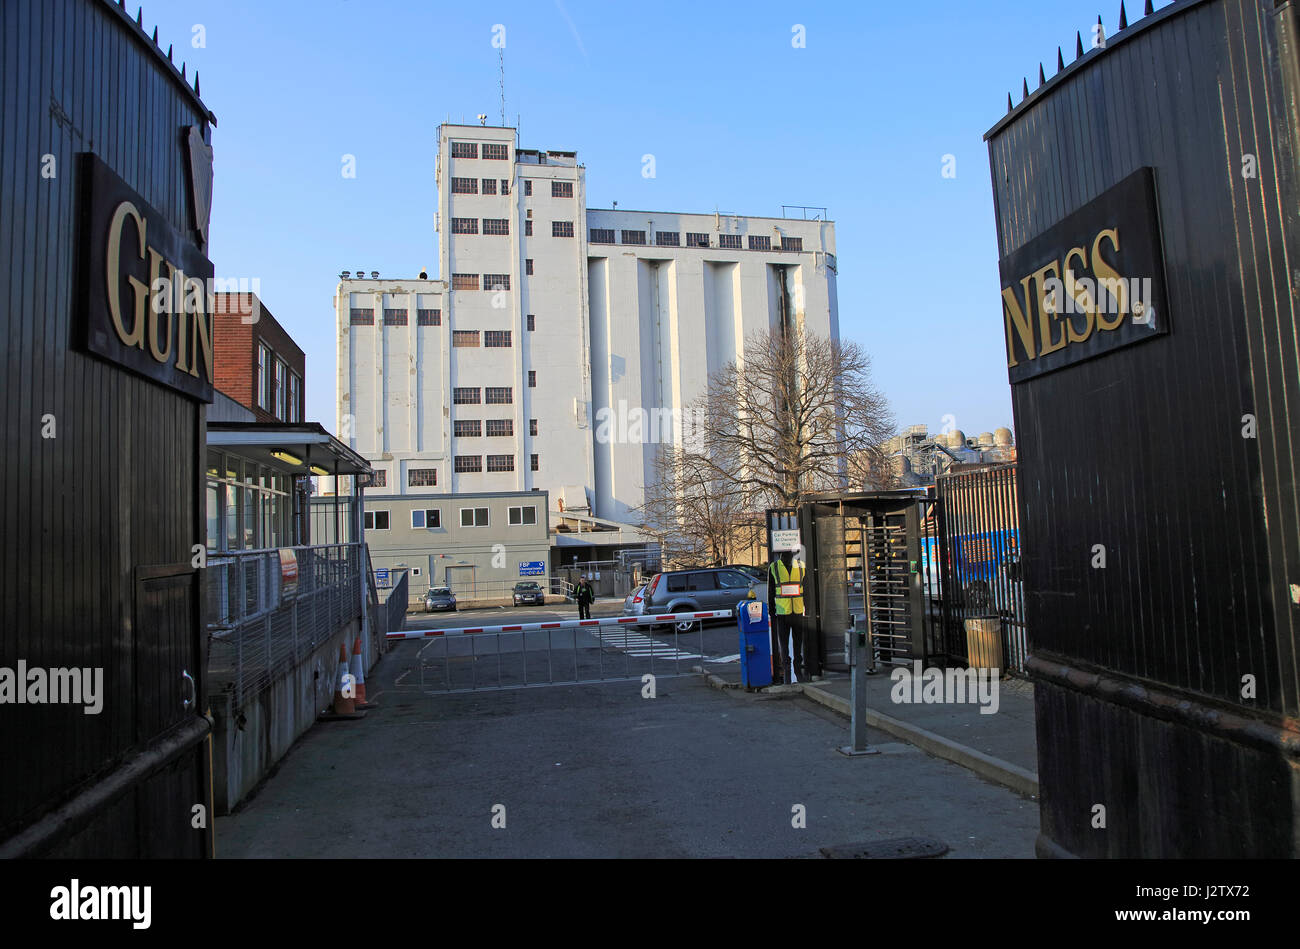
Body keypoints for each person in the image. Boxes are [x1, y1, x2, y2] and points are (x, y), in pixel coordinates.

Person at [768, 549, 806, 683]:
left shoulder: (801, 567)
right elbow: (771, 590)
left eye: (788, 555)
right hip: (782, 612)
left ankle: (796, 669)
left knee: (797, 642)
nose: (786, 557)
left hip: (796, 610)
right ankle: (787, 669)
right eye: (784, 555)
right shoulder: (774, 567)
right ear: (780, 555)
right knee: (783, 644)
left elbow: (805, 588)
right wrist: (772, 611)